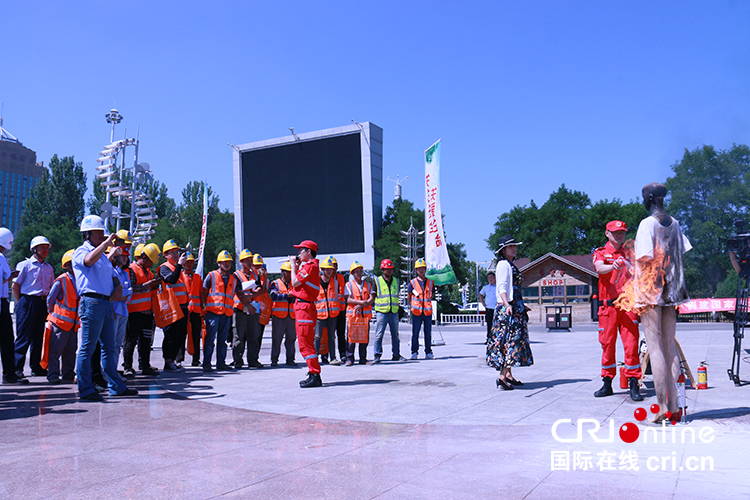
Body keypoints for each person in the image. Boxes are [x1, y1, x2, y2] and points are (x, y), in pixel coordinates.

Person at [634, 183, 691, 423]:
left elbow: (645, 258)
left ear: (648, 198)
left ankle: (660, 406)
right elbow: (684, 250)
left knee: (654, 346)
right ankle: (675, 405)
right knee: (670, 346)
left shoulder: (647, 224)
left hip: (652, 290)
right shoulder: (675, 223)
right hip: (674, 288)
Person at [73, 215, 137, 401]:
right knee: (88, 347)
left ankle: (115, 386)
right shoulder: (81, 251)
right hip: (92, 302)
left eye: (103, 233)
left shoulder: (102, 256)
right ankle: (85, 389)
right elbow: (88, 261)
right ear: (87, 234)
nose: (102, 236)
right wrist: (108, 243)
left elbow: (110, 273)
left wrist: (117, 286)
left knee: (110, 347)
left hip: (107, 303)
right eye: (98, 233)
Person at [592, 220, 643, 401]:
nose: (619, 235)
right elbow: (598, 268)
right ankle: (607, 383)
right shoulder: (601, 253)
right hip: (609, 307)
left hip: (628, 306)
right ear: (607, 233)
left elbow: (640, 272)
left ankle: (634, 384)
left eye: (622, 232)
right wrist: (612, 266)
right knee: (607, 345)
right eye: (615, 232)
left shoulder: (630, 253)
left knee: (631, 345)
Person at [488, 235, 533, 390]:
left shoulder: (510, 264)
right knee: (511, 342)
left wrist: (521, 305)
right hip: (508, 309)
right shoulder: (503, 265)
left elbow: (512, 289)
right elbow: (501, 287)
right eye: (510, 246)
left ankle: (508, 375)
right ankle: (502, 376)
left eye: (515, 245)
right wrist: (508, 304)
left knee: (513, 341)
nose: (514, 248)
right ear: (503, 250)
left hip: (515, 307)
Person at [12, 235, 54, 378]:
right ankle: (16, 368)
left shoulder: (49, 268)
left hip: (42, 302)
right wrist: (22, 303)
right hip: (27, 301)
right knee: (24, 336)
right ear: (34, 249)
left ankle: (36, 367)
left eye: (47, 247)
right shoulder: (25, 265)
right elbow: (15, 286)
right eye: (42, 247)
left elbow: (51, 286)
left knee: (38, 336)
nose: (45, 250)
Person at [123, 243, 161, 376]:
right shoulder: (132, 270)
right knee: (131, 340)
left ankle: (144, 365)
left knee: (146, 341)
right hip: (135, 312)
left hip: (147, 312)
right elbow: (130, 289)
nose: (152, 264)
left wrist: (155, 285)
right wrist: (147, 285)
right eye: (151, 261)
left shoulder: (148, 271)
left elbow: (148, 290)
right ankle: (127, 366)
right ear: (144, 258)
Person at [288, 240, 322, 388]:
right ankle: (313, 372)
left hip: (305, 309)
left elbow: (295, 283)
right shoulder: (309, 266)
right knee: (305, 341)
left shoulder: (310, 266)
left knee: (305, 343)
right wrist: (296, 267)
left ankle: (314, 374)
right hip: (304, 307)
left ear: (308, 252)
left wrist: (292, 267)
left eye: (301, 250)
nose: (298, 253)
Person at [45, 250, 80, 384]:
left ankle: (68, 374)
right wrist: (53, 315)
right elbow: (50, 300)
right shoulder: (61, 280)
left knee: (71, 351)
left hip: (73, 324)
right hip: (60, 323)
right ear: (68, 265)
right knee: (55, 351)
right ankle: (53, 375)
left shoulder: (80, 280)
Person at [201, 250, 237, 372]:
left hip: (226, 314)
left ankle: (221, 363)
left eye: (229, 262)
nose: (227, 264)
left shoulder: (233, 278)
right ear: (218, 263)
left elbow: (239, 293)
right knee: (210, 339)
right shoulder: (211, 276)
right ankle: (206, 364)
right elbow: (204, 292)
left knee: (222, 340)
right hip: (213, 313)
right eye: (224, 262)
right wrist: (203, 307)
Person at [1, 228, 27, 385]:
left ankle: (9, 373)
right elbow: (4, 278)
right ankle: (9, 374)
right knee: (6, 339)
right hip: (1, 301)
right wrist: (11, 275)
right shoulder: (0, 257)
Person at [159, 239, 189, 371]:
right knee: (171, 335)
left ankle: (174, 360)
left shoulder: (179, 268)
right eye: (172, 253)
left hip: (182, 307)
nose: (176, 255)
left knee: (181, 335)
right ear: (166, 255)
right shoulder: (164, 267)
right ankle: (168, 360)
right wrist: (179, 266)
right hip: (172, 307)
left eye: (177, 252)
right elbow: (171, 279)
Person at [232, 249, 264, 368]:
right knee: (239, 336)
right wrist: (249, 305)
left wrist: (251, 296)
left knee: (254, 335)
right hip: (241, 309)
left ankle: (253, 360)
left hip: (253, 309)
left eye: (251, 260)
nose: (249, 262)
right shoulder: (236, 275)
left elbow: (260, 289)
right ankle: (238, 360)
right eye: (247, 260)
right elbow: (239, 293)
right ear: (241, 262)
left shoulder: (254, 275)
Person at [372, 259, 405, 363]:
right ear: (382, 270)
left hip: (393, 312)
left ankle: (396, 354)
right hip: (381, 312)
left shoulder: (396, 280)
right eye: (387, 269)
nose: (390, 271)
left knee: (395, 335)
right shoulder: (377, 281)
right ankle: (377, 355)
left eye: (391, 269)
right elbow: (372, 296)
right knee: (379, 334)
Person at [109, 233, 132, 373]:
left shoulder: (125, 273)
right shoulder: (113, 272)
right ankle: (108, 371)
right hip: (114, 311)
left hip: (123, 311)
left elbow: (128, 294)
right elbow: (114, 294)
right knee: (110, 344)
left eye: (126, 256)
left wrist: (123, 294)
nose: (125, 258)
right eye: (123, 255)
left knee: (117, 344)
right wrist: (124, 294)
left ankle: (113, 369)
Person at [269, 261, 297, 367]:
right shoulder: (275, 283)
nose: (290, 274)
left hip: (292, 316)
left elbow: (297, 296)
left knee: (291, 339)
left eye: (291, 272)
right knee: (277, 339)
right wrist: (287, 296)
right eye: (288, 272)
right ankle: (274, 359)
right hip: (278, 316)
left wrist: (283, 295)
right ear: (283, 272)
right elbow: (274, 296)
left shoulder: (294, 283)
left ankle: (290, 359)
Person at [315, 256, 342, 365]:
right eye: (328, 269)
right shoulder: (316, 282)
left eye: (331, 269)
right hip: (319, 314)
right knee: (317, 337)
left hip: (332, 313)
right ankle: (314, 358)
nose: (330, 271)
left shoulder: (335, 282)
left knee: (331, 336)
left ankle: (333, 357)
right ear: (322, 270)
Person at [344, 261, 373, 365]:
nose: (359, 274)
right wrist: (361, 302)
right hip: (353, 316)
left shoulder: (368, 285)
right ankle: (349, 358)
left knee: (364, 338)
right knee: (351, 338)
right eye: (357, 272)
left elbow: (371, 298)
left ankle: (363, 359)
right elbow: (348, 300)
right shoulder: (348, 285)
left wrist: (363, 304)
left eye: (360, 271)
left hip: (364, 316)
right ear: (352, 273)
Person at [409, 258, 435, 360]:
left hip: (427, 312)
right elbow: (409, 295)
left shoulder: (430, 282)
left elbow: (431, 295)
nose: (421, 270)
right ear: (416, 270)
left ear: (425, 269)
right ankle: (414, 352)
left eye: (423, 268)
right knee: (415, 333)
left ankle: (428, 352)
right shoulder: (412, 283)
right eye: (419, 269)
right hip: (416, 311)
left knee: (428, 333)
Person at [183, 252, 204, 367]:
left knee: (196, 335)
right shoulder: (180, 277)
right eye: (188, 262)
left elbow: (201, 293)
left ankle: (196, 359)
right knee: (181, 335)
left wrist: (202, 308)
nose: (190, 265)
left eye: (191, 262)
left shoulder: (197, 278)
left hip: (196, 310)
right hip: (184, 310)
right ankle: (179, 359)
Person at [250, 254, 272, 365]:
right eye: (255, 266)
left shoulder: (266, 280)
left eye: (260, 266)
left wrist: (265, 277)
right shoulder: (250, 276)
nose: (258, 268)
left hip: (261, 310)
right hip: (250, 308)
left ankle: (255, 357)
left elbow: (264, 291)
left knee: (258, 335)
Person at [332, 259, 348, 363]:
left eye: (335, 266)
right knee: (329, 335)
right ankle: (328, 355)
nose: (333, 268)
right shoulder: (323, 279)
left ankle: (343, 354)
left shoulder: (341, 278)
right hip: (330, 311)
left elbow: (345, 294)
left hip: (341, 310)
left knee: (341, 334)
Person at [478, 271, 497, 343]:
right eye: (489, 278)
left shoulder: (498, 286)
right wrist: (483, 302)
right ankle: (489, 339)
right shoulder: (486, 287)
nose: (490, 279)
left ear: (495, 278)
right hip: (489, 308)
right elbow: (480, 294)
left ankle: (497, 339)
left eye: (491, 277)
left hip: (497, 308)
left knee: (497, 324)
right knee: (489, 324)